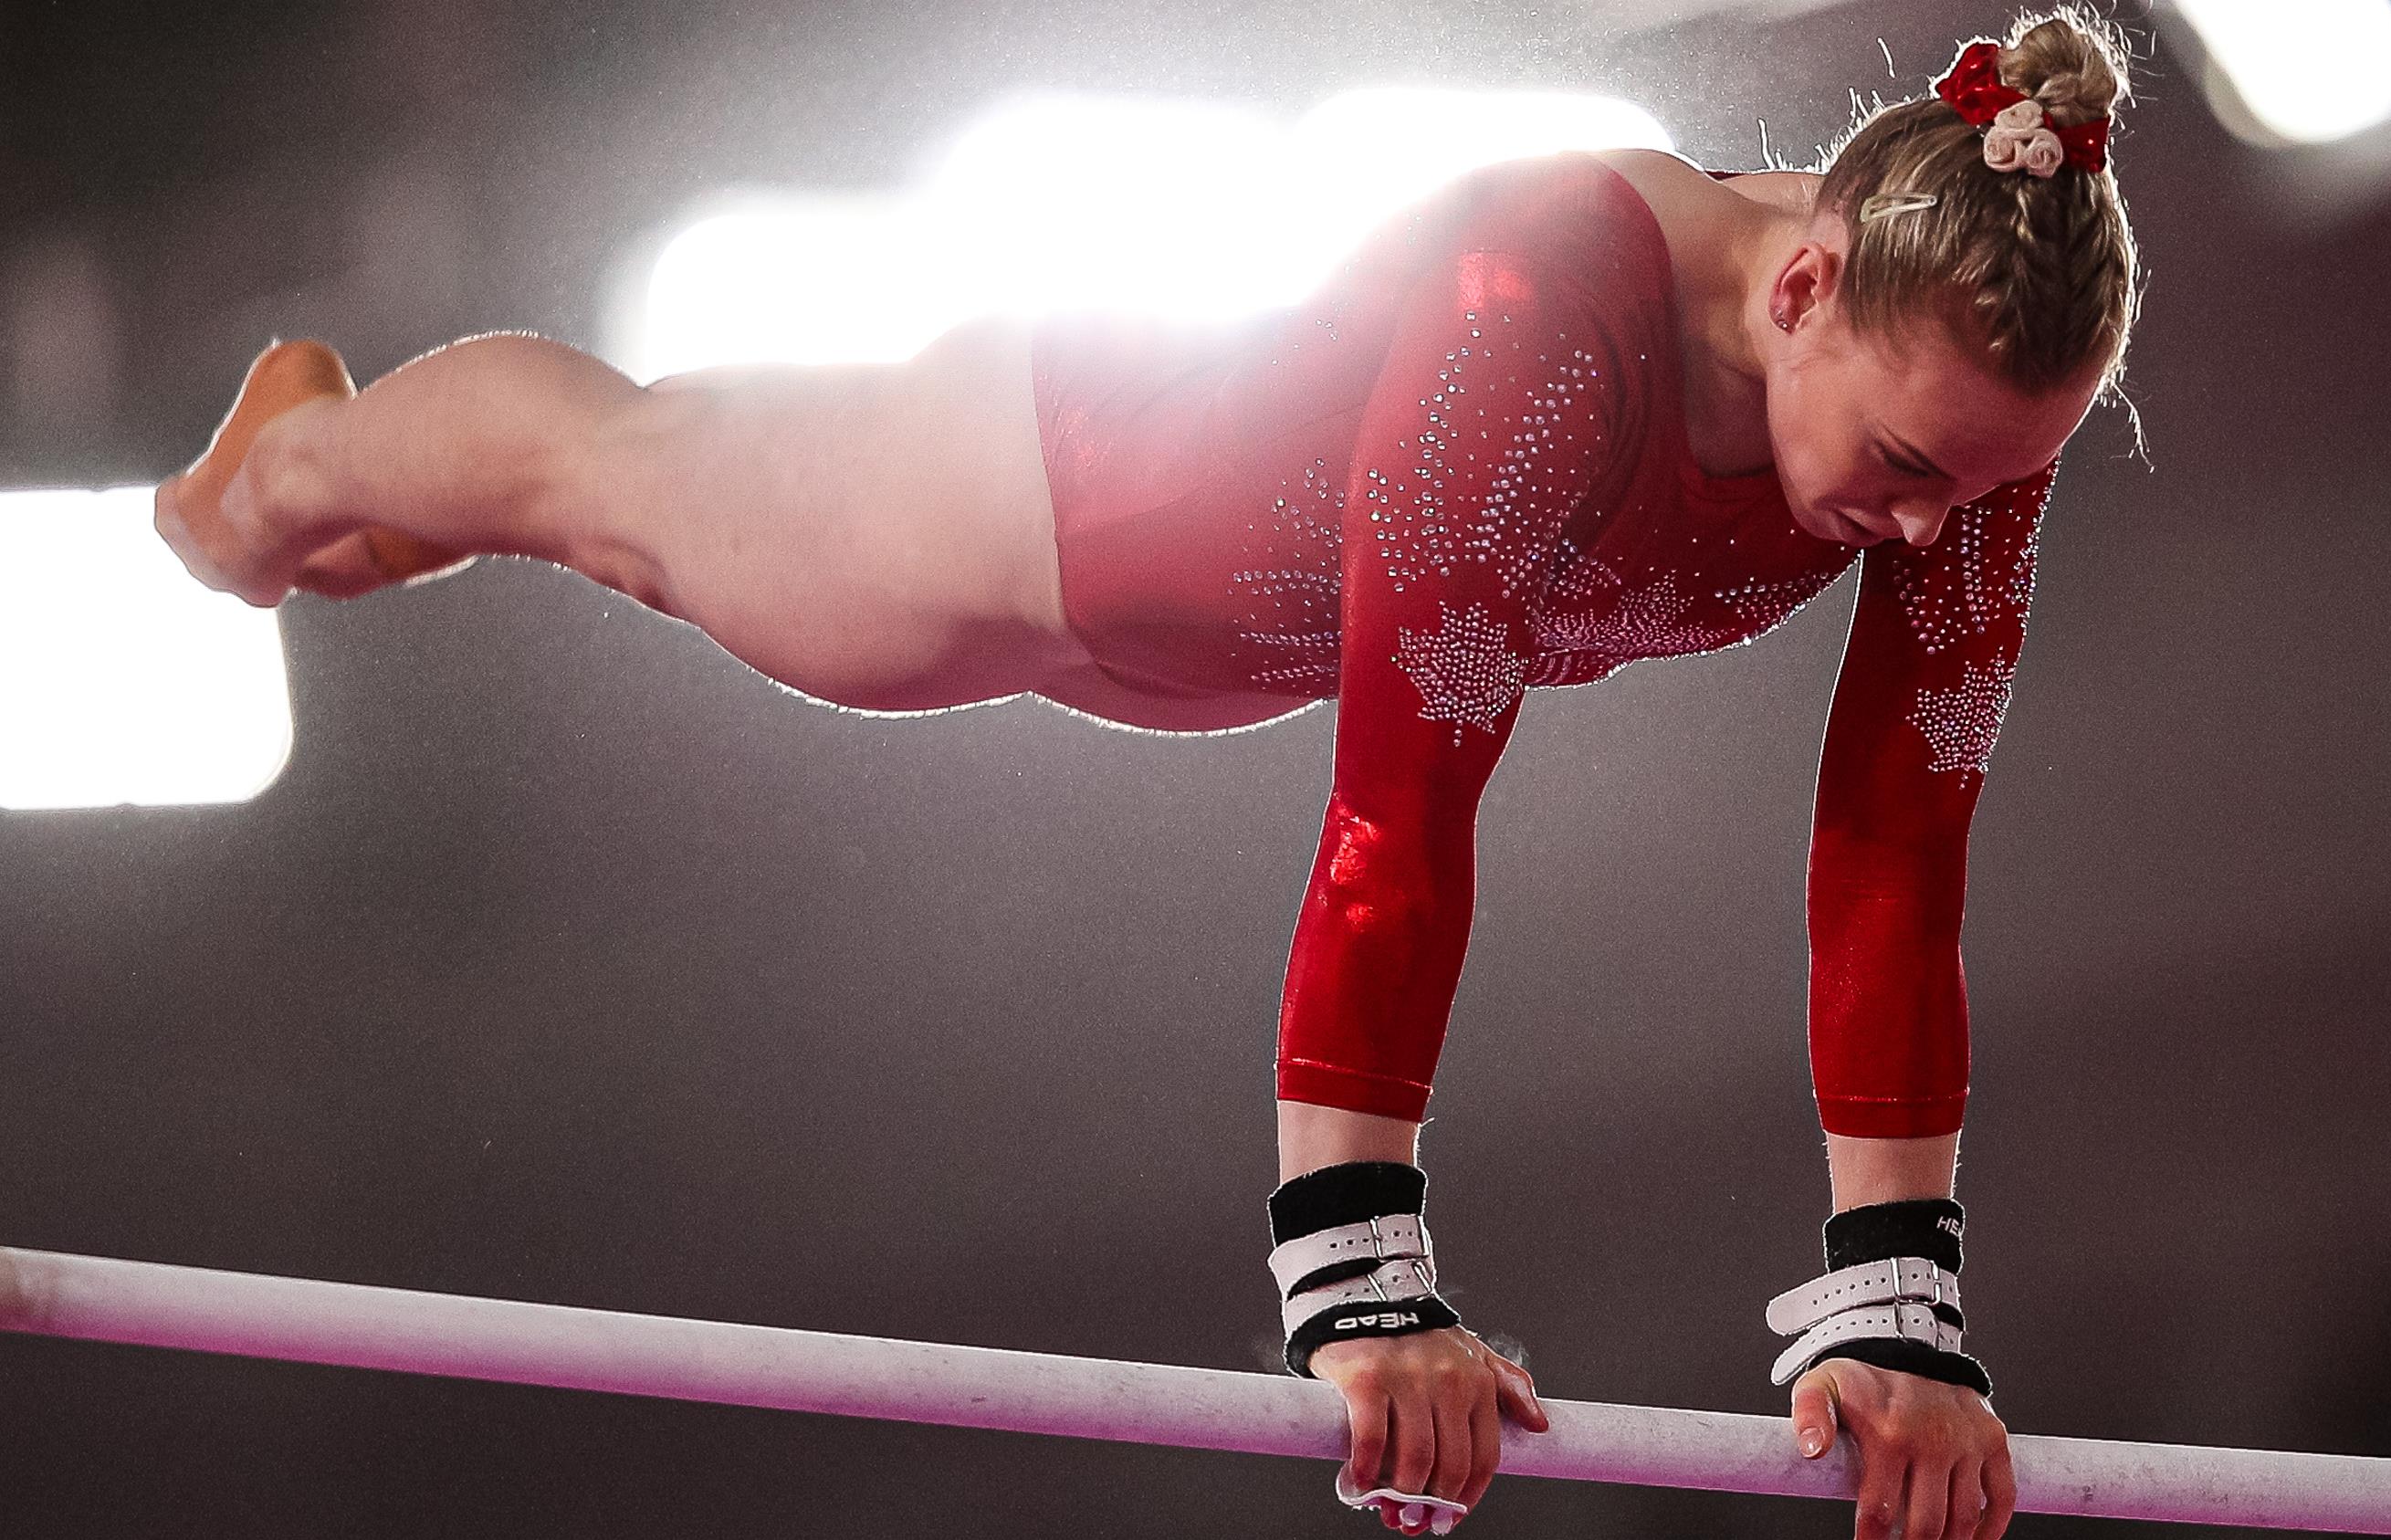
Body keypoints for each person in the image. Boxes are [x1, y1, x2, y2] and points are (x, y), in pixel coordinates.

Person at [152, 10, 2140, 1539]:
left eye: (1978, 486)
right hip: (1061, 491)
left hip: (1229, 652)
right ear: (1798, 285)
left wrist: (1901, 1313)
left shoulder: (1950, 435)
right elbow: (1409, 795)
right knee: (632, 502)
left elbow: (1898, 840)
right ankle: (288, 467)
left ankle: (384, 479)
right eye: (1903, 471)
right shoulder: (1561, 296)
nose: (1924, 530)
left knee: (640, 524)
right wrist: (1361, 1276)